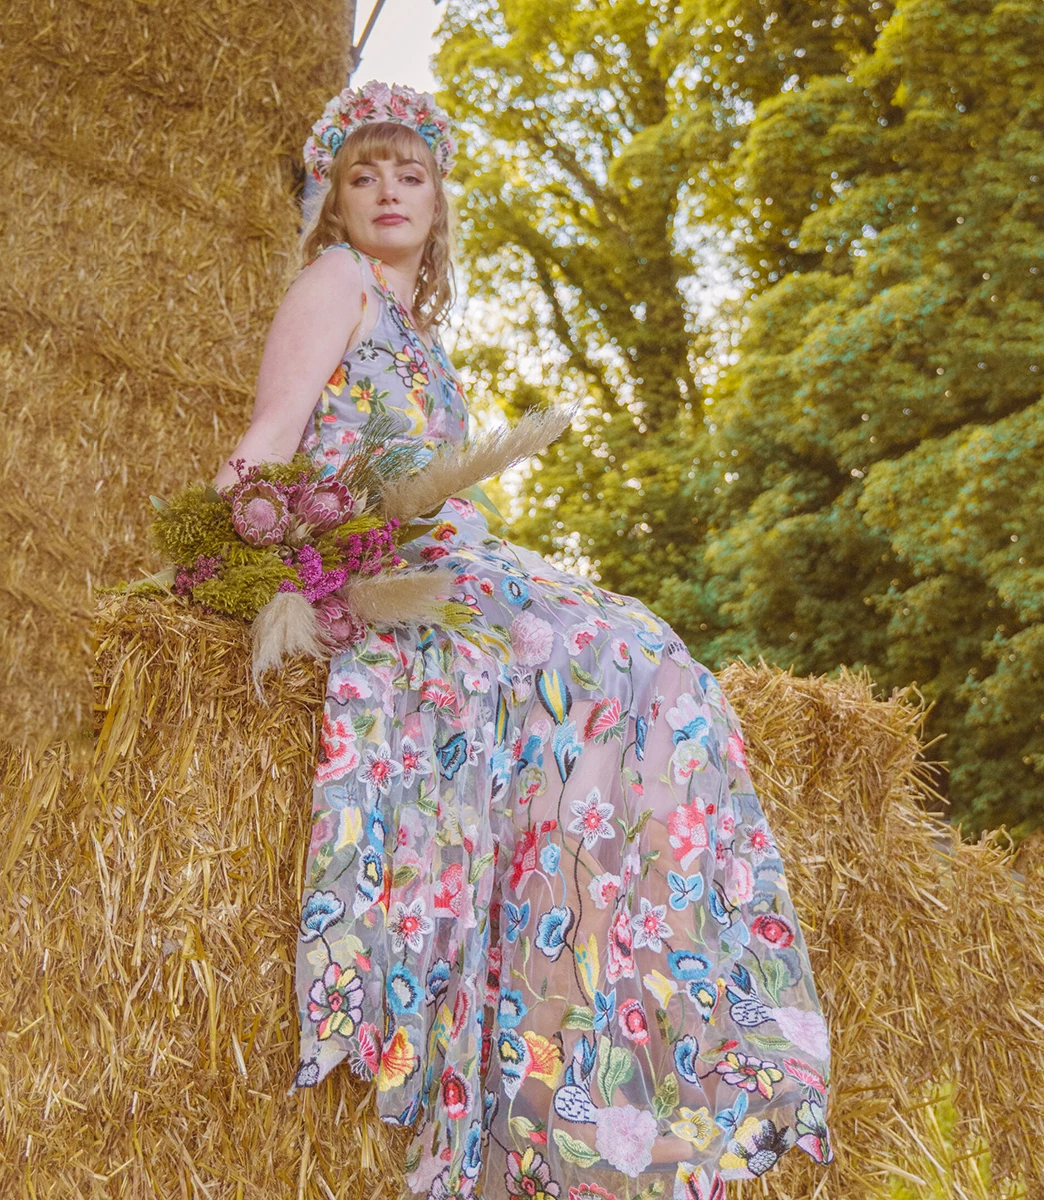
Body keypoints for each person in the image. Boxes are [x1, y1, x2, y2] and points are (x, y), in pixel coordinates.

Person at [214, 80, 835, 1200]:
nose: (388, 191)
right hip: (403, 573)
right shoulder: (336, 283)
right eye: (364, 175)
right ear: (334, 204)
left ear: (441, 198)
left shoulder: (417, 328)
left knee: (653, 668)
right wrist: (256, 555)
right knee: (605, 664)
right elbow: (264, 444)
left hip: (462, 557)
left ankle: (608, 1016)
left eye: (410, 173)